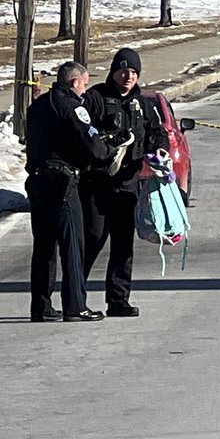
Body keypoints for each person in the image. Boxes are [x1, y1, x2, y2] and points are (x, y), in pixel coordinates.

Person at [81, 47, 165, 317]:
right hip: (98, 183)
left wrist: (160, 148)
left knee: (122, 245)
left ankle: (118, 300)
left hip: (128, 184)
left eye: (133, 72)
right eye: (123, 71)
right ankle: (75, 296)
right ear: (114, 72)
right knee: (93, 238)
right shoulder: (96, 98)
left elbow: (156, 132)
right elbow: (82, 132)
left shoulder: (143, 104)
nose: (128, 76)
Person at [25, 61, 110, 323]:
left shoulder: (37, 107)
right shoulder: (73, 107)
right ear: (74, 83)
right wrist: (109, 150)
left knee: (43, 246)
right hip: (62, 182)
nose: (85, 91)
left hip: (37, 181)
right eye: (84, 85)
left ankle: (41, 306)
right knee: (73, 244)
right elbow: (92, 145)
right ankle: (75, 305)